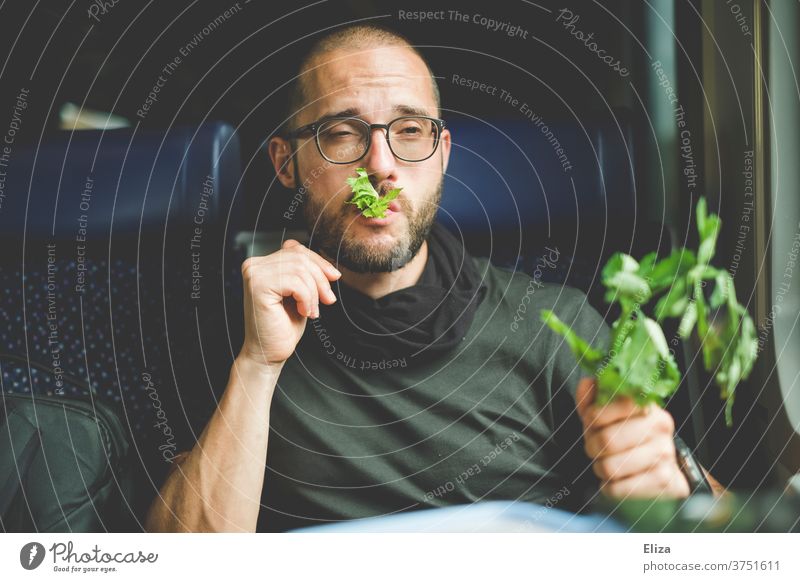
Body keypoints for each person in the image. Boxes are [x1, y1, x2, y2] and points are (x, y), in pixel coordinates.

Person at [145, 24, 721, 533]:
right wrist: (256, 365)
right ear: (285, 162)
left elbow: (713, 518)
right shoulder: (229, 330)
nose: (381, 165)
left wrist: (672, 480)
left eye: (411, 130)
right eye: (343, 133)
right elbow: (181, 560)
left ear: (442, 153)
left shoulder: (553, 326)